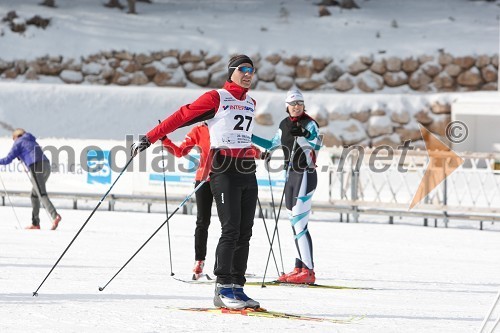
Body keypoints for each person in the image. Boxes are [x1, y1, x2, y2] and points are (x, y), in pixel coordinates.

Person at [131, 54, 261, 309]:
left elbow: (242, 134)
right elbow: (181, 115)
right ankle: (222, 288)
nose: (248, 74)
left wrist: (265, 150)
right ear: (231, 72)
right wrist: (151, 136)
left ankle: (237, 286)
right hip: (223, 168)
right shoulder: (216, 97)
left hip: (247, 168)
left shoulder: (251, 102)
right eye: (243, 69)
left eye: (251, 70)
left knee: (246, 232)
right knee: (231, 229)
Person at [253, 89, 322, 284]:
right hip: (290, 175)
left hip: (305, 174)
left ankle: (309, 271)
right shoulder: (284, 125)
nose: (296, 106)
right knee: (294, 224)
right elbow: (273, 144)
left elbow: (316, 145)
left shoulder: (310, 124)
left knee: (299, 223)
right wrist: (249, 136)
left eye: (299, 103)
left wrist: (304, 134)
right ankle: (299, 267)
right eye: (293, 104)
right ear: (287, 106)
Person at [162, 123, 213, 280]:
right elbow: (180, 151)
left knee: (231, 223)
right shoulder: (199, 130)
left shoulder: (226, 124)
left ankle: (231, 265)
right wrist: (164, 139)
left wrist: (257, 154)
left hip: (225, 179)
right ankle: (199, 262)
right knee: (202, 221)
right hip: (203, 179)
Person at [0, 129, 62, 230]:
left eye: (13, 138)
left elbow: (7, 159)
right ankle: (35, 223)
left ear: (16, 136)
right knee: (34, 195)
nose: (14, 141)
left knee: (41, 193)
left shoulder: (18, 142)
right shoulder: (31, 140)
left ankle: (55, 215)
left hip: (36, 166)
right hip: (46, 165)